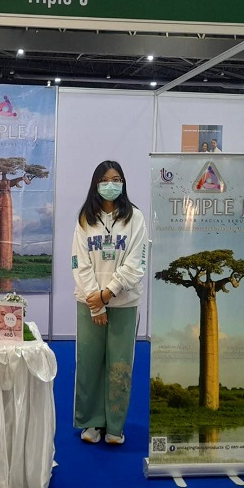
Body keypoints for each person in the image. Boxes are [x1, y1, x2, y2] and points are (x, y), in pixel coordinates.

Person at [71, 160, 148, 445]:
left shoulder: (135, 218)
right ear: (96, 184)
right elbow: (79, 263)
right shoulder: (85, 219)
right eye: (105, 180)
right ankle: (92, 422)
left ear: (123, 183)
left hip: (124, 303)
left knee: (120, 365)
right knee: (89, 363)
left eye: (116, 179)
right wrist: (96, 303)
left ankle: (115, 425)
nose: (111, 184)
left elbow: (136, 263)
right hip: (89, 303)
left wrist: (108, 293)